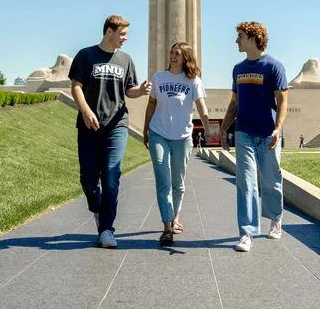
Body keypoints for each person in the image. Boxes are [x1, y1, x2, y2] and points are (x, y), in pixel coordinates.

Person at [69, 15, 152, 248]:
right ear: (109, 32)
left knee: (112, 176)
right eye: (122, 34)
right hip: (89, 124)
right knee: (88, 178)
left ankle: (106, 228)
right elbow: (76, 85)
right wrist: (85, 110)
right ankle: (96, 206)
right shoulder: (86, 55)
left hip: (117, 124)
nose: (125, 39)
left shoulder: (126, 59)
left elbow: (130, 90)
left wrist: (141, 90)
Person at [220, 21, 288, 253]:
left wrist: (278, 128)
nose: (236, 40)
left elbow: (282, 101)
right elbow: (234, 103)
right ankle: (247, 232)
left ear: (253, 38)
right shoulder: (238, 69)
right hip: (244, 132)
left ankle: (275, 219)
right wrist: (223, 129)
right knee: (246, 182)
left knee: (271, 180)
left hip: (268, 134)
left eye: (239, 36)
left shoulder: (273, 66)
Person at [143, 42, 213, 246]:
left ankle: (175, 218)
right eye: (171, 52)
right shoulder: (158, 78)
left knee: (178, 182)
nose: (172, 56)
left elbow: (201, 106)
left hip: (182, 137)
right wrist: (146, 130)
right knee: (163, 180)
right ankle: (167, 228)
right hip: (159, 133)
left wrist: (208, 129)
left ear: (186, 58)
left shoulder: (194, 81)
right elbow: (151, 105)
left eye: (177, 54)